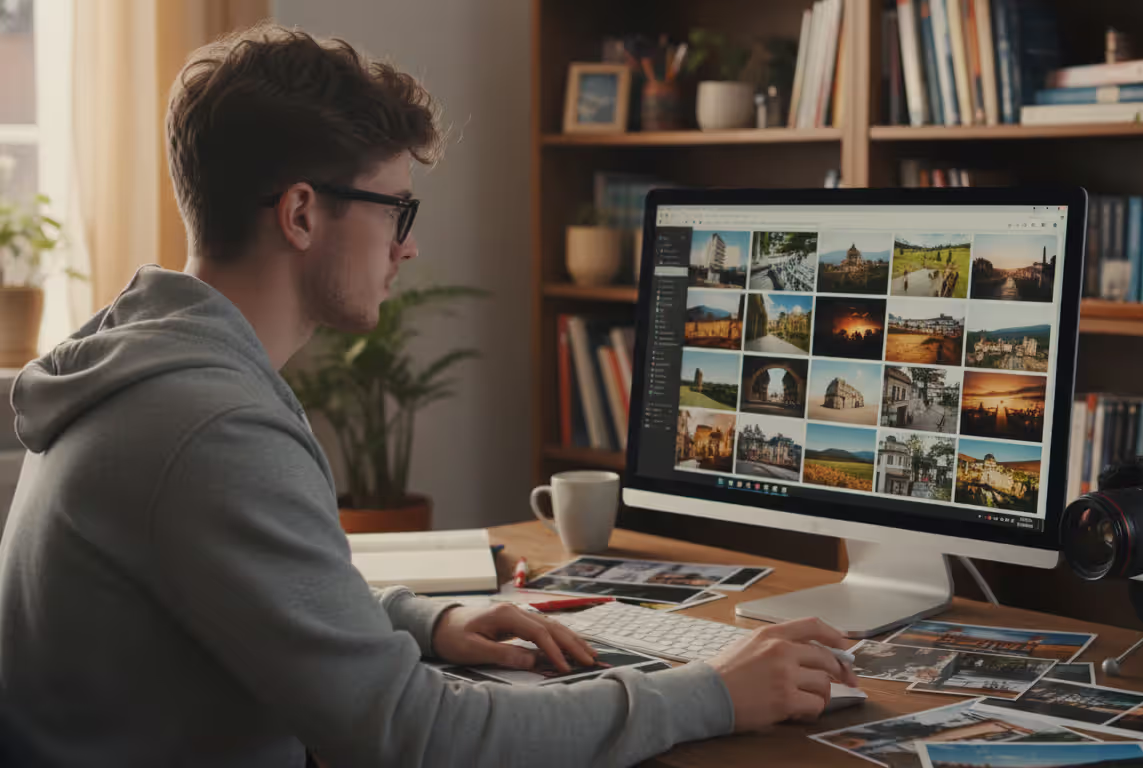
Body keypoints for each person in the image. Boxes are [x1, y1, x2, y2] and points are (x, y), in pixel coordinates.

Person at [0, 24, 857, 768]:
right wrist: (711, 693)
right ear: (300, 214)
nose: (406, 248)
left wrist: (423, 622)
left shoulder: (146, 363)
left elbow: (256, 592)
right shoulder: (210, 426)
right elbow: (417, 740)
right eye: (395, 211)